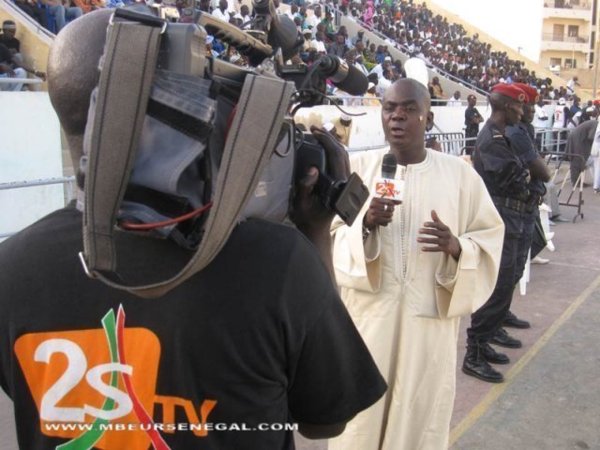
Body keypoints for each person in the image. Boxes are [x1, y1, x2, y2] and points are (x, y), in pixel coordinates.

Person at [0, 10, 387, 449]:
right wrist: (315, 232)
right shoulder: (278, 264)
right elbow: (323, 421)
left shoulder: (9, 269)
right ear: (172, 101)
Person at [328, 78, 504, 450]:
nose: (397, 117)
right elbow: (326, 238)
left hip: (429, 325)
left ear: (427, 115)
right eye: (390, 108)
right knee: (361, 422)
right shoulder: (358, 169)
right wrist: (365, 224)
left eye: (408, 108)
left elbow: (489, 237)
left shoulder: (460, 176)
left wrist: (457, 247)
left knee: (419, 416)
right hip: (368, 322)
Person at [463, 83, 532, 384]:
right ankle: (474, 353)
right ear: (506, 107)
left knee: (506, 281)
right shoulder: (491, 140)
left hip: (512, 216)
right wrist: (526, 175)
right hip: (502, 216)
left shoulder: (500, 137)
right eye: (518, 106)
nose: (522, 110)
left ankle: (485, 341)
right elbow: (519, 178)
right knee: (497, 283)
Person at [504, 83, 551, 328]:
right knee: (509, 269)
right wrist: (543, 170)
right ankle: (493, 324)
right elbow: (542, 171)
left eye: (531, 105)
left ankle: (502, 314)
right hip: (517, 207)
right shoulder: (516, 133)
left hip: (528, 203)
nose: (530, 110)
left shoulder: (526, 130)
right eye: (527, 105)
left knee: (517, 266)